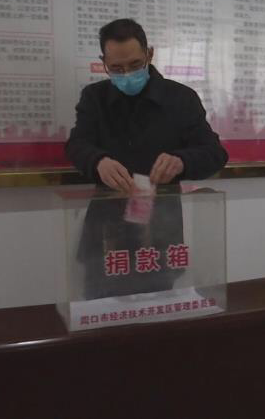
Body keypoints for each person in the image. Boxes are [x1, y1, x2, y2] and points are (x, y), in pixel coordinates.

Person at [66, 18, 228, 299]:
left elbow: (215, 153)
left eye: (135, 64)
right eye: (117, 68)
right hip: (106, 231)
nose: (127, 74)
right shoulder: (95, 98)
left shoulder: (181, 99)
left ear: (149, 54)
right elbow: (76, 145)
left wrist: (182, 161)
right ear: (104, 62)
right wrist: (98, 161)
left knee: (156, 315)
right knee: (101, 317)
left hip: (159, 233)